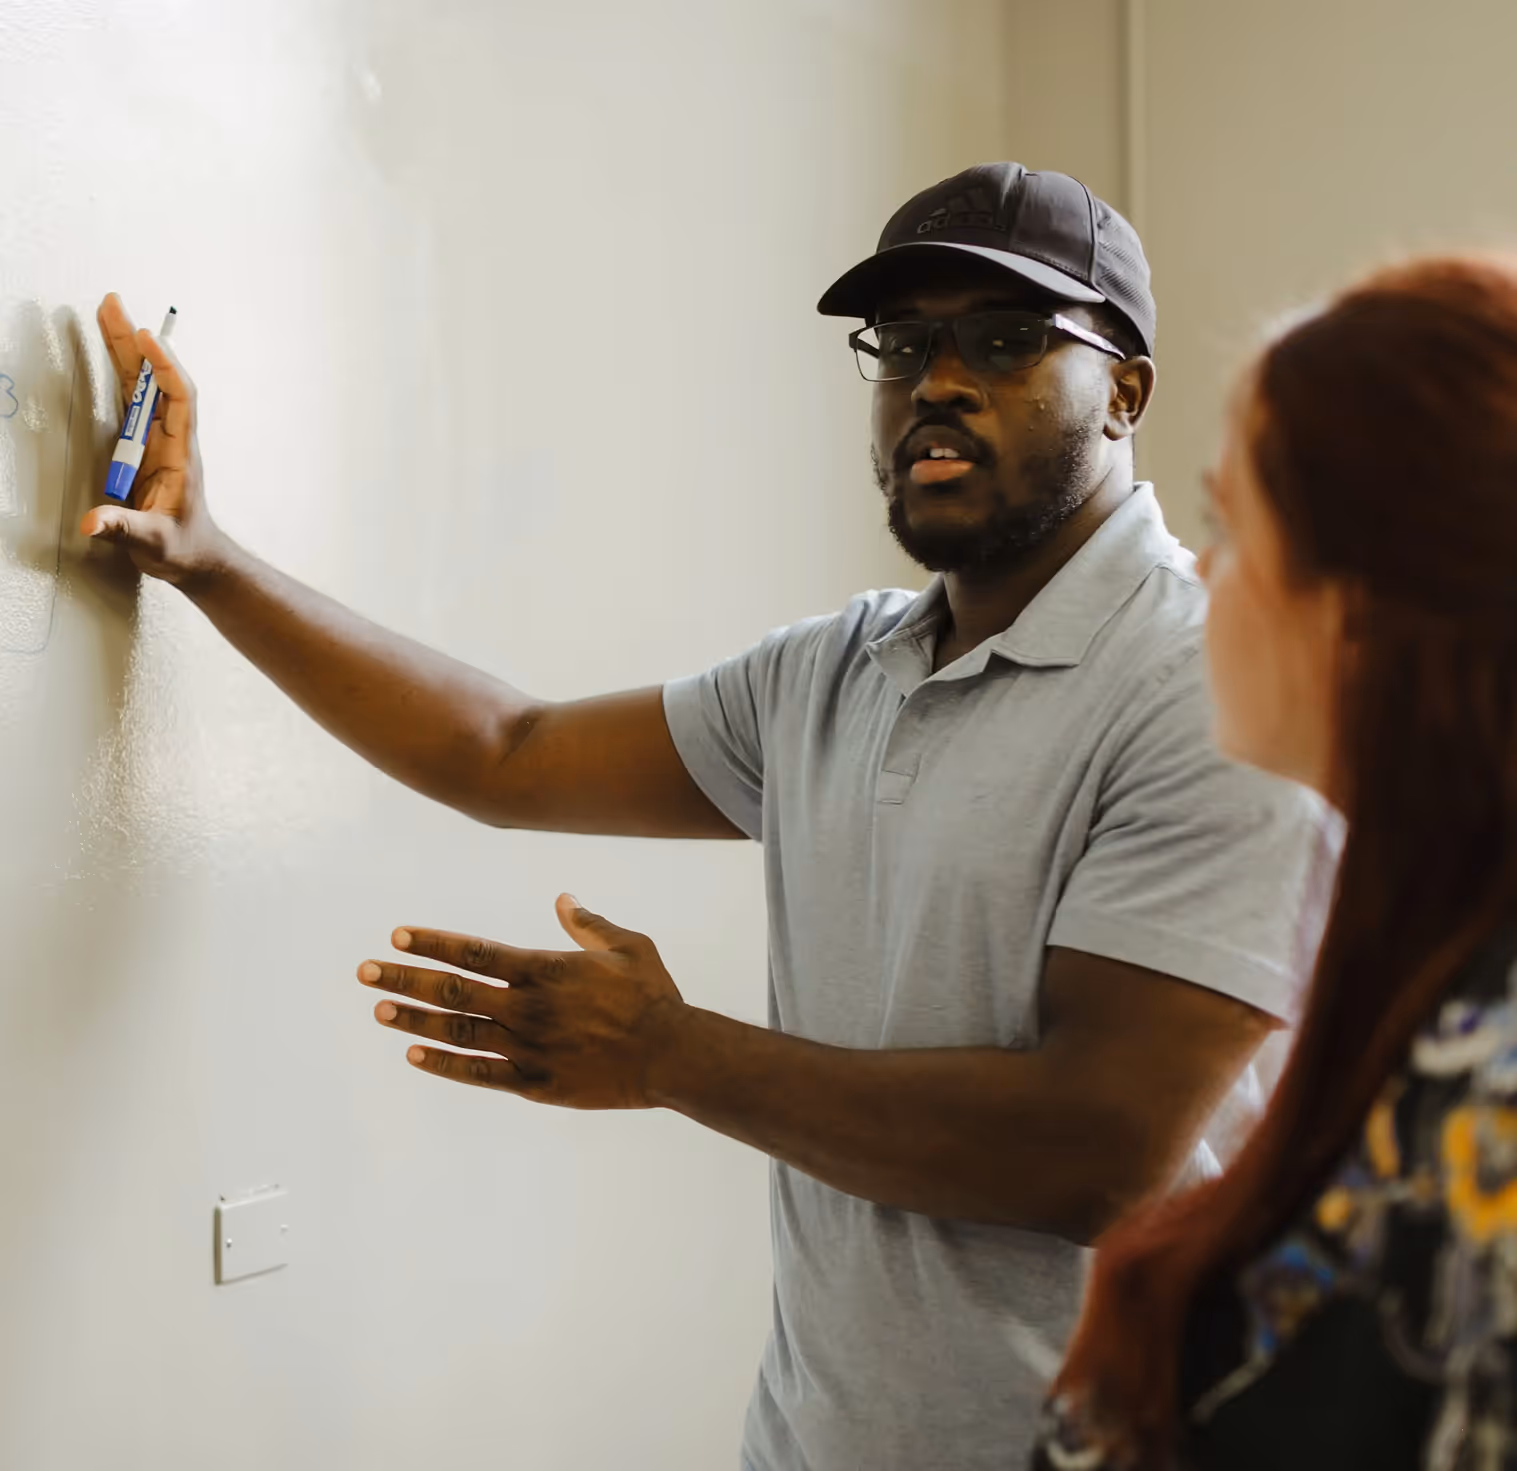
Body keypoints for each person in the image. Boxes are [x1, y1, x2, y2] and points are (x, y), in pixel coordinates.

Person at [85, 163, 1327, 1471]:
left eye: (1008, 340)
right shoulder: (835, 670)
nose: (940, 381)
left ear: (1124, 388)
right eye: (904, 345)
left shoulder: (1215, 686)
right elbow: (505, 750)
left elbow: (1097, 1151)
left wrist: (670, 1053)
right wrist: (210, 560)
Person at [1032, 254, 1517, 1471]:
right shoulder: (1427, 971)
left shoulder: (1494, 1090)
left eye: (1227, 525)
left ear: (1352, 611)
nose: (1199, 573)